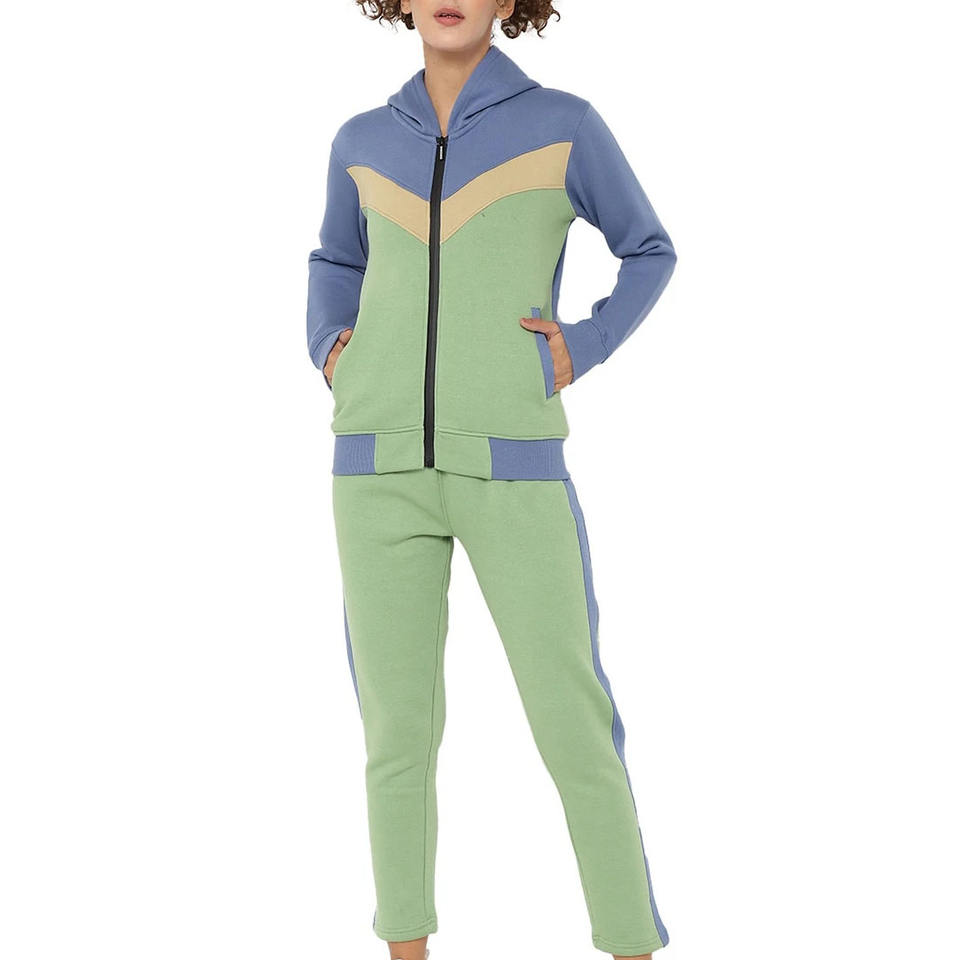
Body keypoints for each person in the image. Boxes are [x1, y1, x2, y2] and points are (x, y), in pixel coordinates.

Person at [306, 2, 677, 958]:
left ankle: (629, 941)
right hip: (377, 470)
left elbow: (649, 249)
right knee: (396, 737)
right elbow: (335, 259)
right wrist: (333, 347)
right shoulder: (360, 141)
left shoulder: (563, 126)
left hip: (514, 467)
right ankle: (406, 946)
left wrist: (583, 344)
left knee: (572, 722)